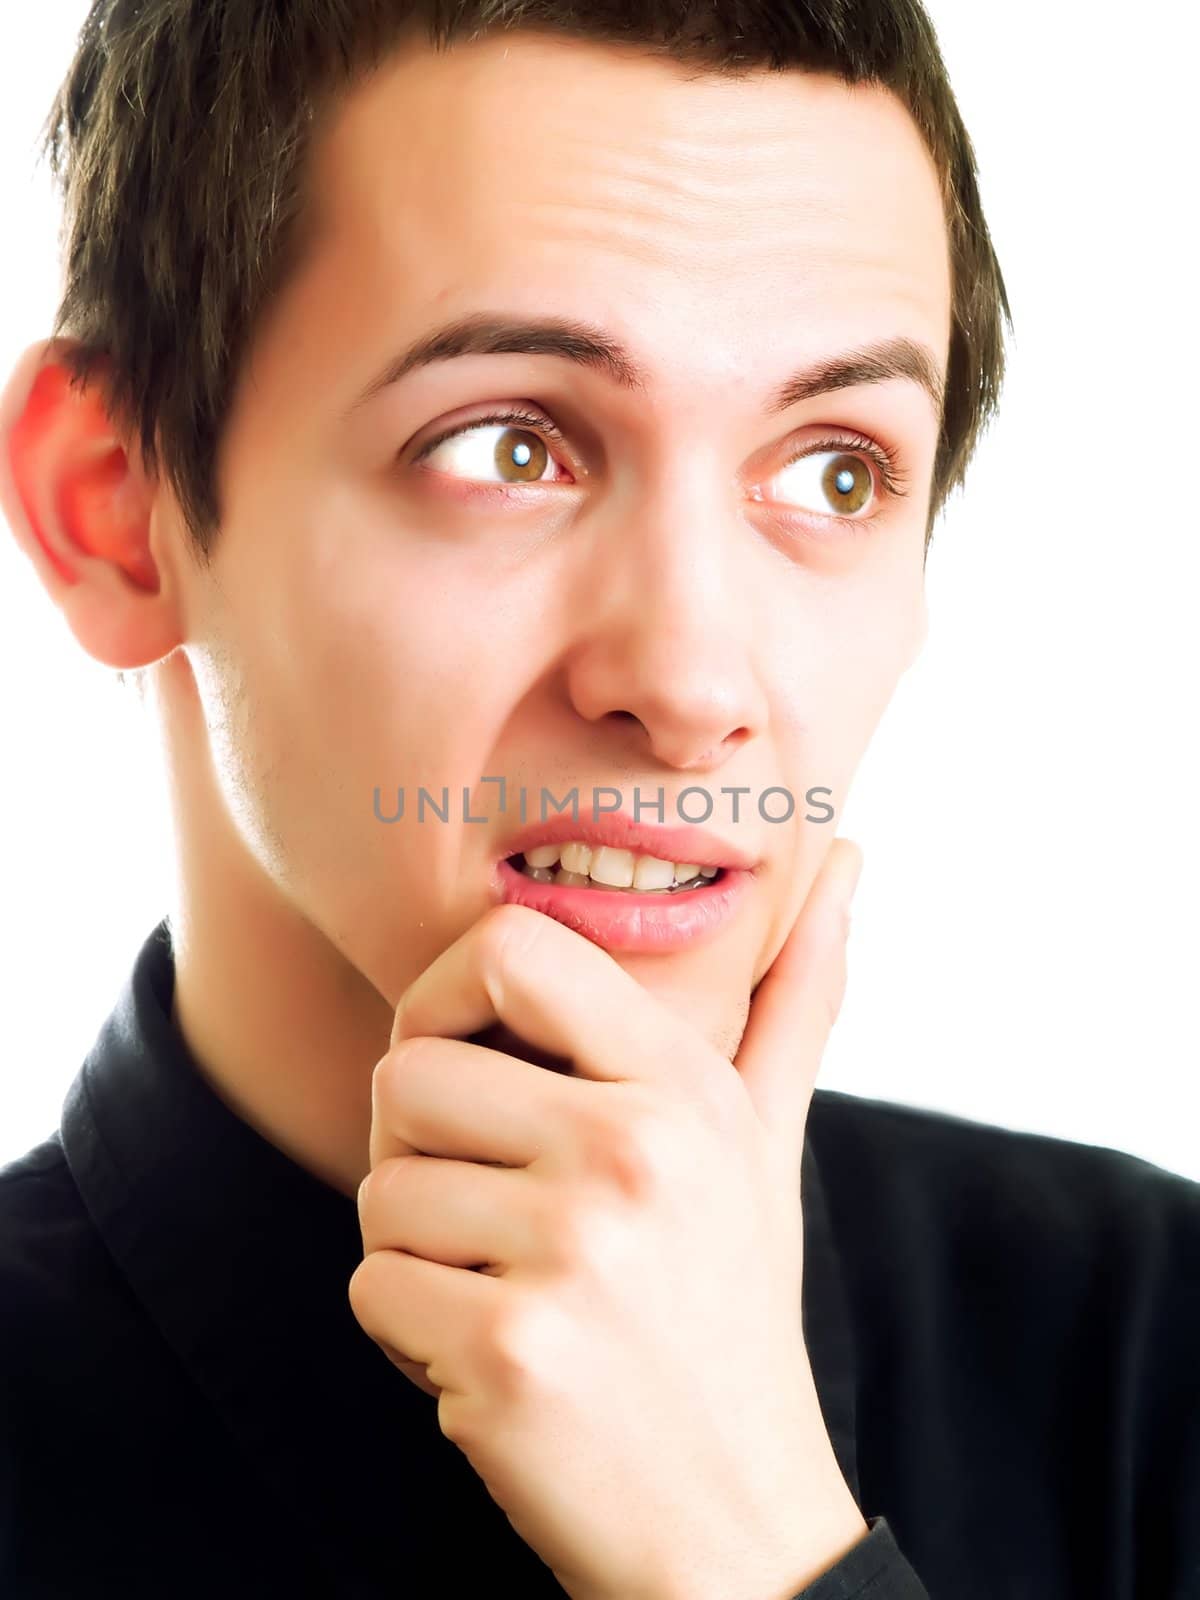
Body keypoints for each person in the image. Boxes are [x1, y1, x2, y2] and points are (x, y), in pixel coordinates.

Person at [1, 2, 1196, 1596]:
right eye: (507, 444)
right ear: (115, 511)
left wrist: (755, 1554)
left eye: (836, 469)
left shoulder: (1152, 1365)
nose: (695, 683)